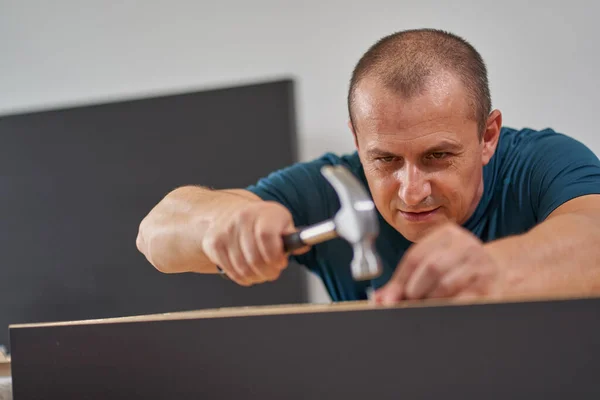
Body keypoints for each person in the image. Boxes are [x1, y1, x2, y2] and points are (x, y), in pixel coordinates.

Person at [136, 28, 600, 305]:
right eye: (386, 160)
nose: (412, 190)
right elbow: (155, 235)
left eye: (438, 156)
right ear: (358, 142)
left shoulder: (543, 163)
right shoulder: (333, 188)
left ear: (488, 136)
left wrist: (494, 270)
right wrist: (225, 221)